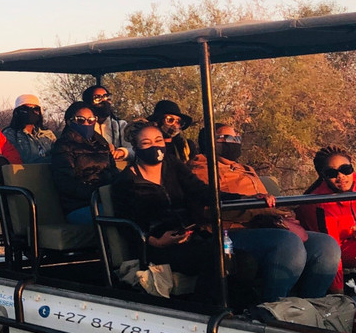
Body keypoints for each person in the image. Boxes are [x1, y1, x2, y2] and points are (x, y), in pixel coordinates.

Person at [190, 125, 339, 301]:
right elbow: (207, 206)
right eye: (228, 138)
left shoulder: (244, 168)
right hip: (233, 231)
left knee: (325, 245)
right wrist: (261, 208)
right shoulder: (200, 170)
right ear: (211, 142)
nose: (235, 143)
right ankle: (274, 308)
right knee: (287, 243)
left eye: (237, 138)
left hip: (265, 225)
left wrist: (281, 213)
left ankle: (311, 307)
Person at [111, 121, 223, 296]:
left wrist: (247, 198)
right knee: (215, 257)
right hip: (156, 248)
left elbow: (201, 191)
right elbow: (127, 224)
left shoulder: (172, 164)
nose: (155, 147)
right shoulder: (125, 182)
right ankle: (205, 310)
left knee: (242, 260)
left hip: (190, 237)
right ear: (136, 147)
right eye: (147, 143)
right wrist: (156, 241)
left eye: (158, 141)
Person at [297, 146, 356, 293]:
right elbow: (331, 253)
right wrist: (339, 294)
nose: (341, 176)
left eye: (346, 169)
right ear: (323, 176)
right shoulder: (321, 203)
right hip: (327, 253)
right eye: (332, 173)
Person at [50, 101, 118, 224]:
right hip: (80, 205)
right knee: (117, 214)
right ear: (70, 121)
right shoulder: (63, 146)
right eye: (81, 120)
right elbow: (66, 183)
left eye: (91, 120)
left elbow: (114, 172)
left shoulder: (102, 145)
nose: (87, 123)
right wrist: (99, 193)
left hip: (105, 199)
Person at [2, 94, 56, 164]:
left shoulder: (48, 134)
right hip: (24, 173)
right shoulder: (9, 135)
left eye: (35, 109)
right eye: (25, 109)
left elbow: (59, 155)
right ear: (17, 112)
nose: (30, 112)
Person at [82, 85, 130, 160]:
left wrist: (123, 152)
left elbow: (133, 149)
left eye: (106, 97)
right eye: (98, 98)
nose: (104, 101)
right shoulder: (83, 127)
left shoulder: (121, 125)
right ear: (88, 102)